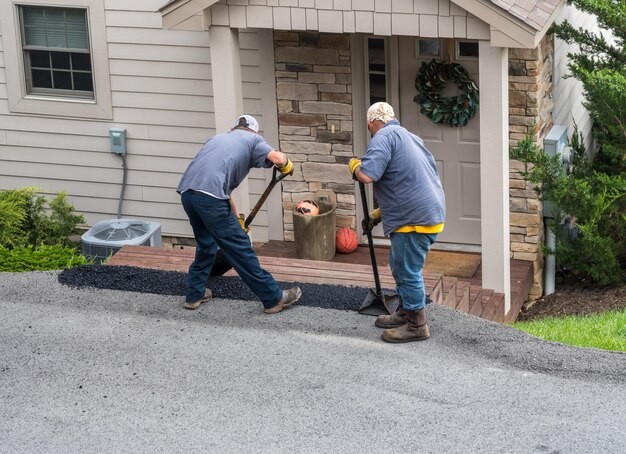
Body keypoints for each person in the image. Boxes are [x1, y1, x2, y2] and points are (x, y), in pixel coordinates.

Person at [177, 115, 302, 314]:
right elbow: (278, 158)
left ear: (234, 128)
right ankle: (273, 298)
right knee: (240, 249)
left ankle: (195, 293)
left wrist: (237, 220)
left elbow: (222, 193)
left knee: (206, 243)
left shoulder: (218, 139)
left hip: (188, 195)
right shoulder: (253, 140)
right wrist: (287, 163)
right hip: (211, 200)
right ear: (254, 131)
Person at [349, 102, 445, 343]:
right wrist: (378, 215)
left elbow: (368, 175)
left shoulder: (383, 136)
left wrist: (355, 166)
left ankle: (416, 325)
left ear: (372, 122)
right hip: (427, 211)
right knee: (398, 263)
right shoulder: (410, 137)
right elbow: (406, 181)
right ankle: (405, 311)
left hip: (413, 219)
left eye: (369, 126)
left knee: (406, 270)